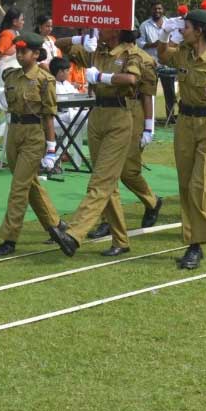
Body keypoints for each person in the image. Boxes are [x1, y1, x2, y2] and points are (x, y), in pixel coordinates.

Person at [51, 25, 145, 257]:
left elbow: (132, 78)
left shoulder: (129, 53)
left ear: (117, 31)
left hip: (119, 117)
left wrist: (103, 77)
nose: (98, 30)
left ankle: (74, 234)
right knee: (108, 185)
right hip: (97, 116)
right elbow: (59, 45)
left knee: (100, 181)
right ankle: (121, 240)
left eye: (102, 27)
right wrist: (81, 38)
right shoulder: (96, 51)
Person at [156, 7, 206, 269]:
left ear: (200, 30)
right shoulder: (183, 55)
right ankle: (193, 241)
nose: (183, 30)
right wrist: (166, 30)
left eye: (186, 26)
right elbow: (162, 53)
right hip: (185, 124)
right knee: (185, 184)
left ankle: (196, 245)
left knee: (199, 186)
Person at [0, 33, 68, 256]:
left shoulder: (45, 80)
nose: (20, 55)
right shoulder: (10, 76)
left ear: (36, 53)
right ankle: (56, 226)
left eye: (25, 51)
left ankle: (9, 239)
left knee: (19, 188)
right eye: (18, 51)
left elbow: (49, 116)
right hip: (14, 133)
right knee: (29, 184)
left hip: (34, 135)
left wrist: (51, 149)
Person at [86, 33, 164, 243]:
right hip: (110, 111)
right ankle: (107, 220)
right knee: (107, 169)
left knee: (128, 171)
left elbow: (147, 94)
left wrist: (149, 126)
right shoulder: (102, 52)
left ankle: (152, 201)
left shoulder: (142, 58)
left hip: (133, 110)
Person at [138, 2, 176, 123]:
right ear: (151, 10)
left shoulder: (170, 23)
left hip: (167, 63)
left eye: (159, 8)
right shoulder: (145, 25)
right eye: (155, 9)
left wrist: (167, 44)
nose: (157, 11)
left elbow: (176, 39)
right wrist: (154, 44)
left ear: (163, 9)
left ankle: (170, 118)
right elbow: (140, 43)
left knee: (169, 91)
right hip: (151, 64)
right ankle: (149, 119)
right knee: (149, 91)